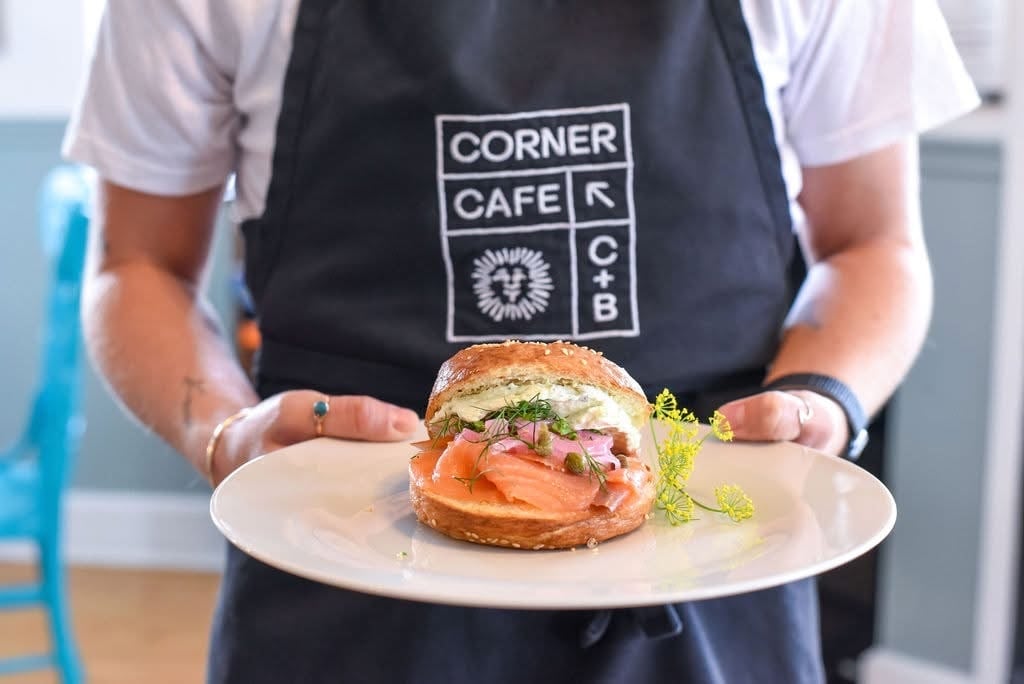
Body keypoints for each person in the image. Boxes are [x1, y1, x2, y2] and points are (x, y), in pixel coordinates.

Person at [64, 0, 979, 682]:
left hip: (712, 569)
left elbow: (874, 243)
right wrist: (223, 436)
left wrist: (825, 395)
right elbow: (138, 265)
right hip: (345, 578)